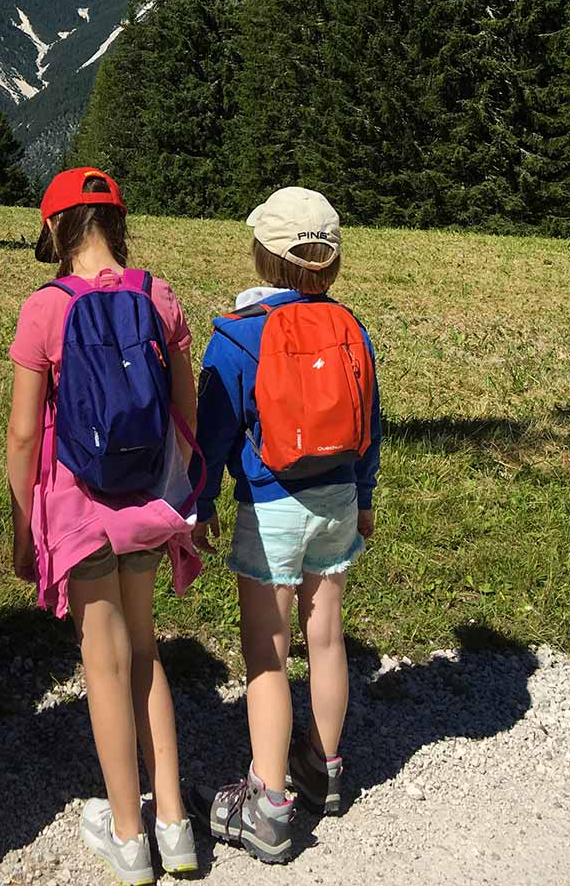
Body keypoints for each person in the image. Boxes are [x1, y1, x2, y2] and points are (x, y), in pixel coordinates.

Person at [6, 167, 202, 886]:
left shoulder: (45, 309)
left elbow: (25, 436)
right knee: (145, 650)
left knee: (103, 661)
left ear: (55, 228)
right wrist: (187, 500)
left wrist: (22, 525)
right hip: (147, 502)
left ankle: (128, 834)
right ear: (117, 223)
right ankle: (175, 824)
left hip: (75, 505)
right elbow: (185, 409)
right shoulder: (159, 296)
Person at [193, 187, 381, 866]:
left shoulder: (239, 335)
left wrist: (200, 500)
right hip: (336, 499)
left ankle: (267, 805)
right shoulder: (351, 329)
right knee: (325, 638)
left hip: (270, 507)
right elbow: (370, 423)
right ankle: (323, 768)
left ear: (263, 255)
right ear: (329, 266)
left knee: (267, 655)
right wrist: (363, 493)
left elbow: (212, 433)